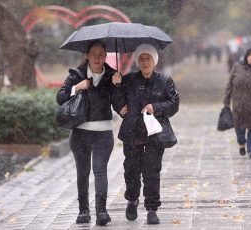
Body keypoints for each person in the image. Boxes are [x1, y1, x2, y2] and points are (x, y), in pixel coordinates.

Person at [56, 40, 123, 226]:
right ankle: (83, 211)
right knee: (82, 172)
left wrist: (117, 86)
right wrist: (77, 87)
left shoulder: (112, 75)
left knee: (100, 171)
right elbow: (60, 97)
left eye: (101, 54)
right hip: (80, 133)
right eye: (94, 54)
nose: (97, 58)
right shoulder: (76, 75)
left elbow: (118, 104)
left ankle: (102, 211)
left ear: (105, 56)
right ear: (87, 55)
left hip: (103, 133)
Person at [115, 44, 179, 225]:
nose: (145, 62)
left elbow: (174, 103)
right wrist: (118, 89)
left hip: (154, 135)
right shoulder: (128, 80)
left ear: (154, 61)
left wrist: (156, 107)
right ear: (137, 62)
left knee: (152, 171)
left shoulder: (164, 81)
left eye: (148, 58)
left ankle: (151, 208)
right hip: (132, 132)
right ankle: (132, 200)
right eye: (141, 59)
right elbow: (117, 102)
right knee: (131, 170)